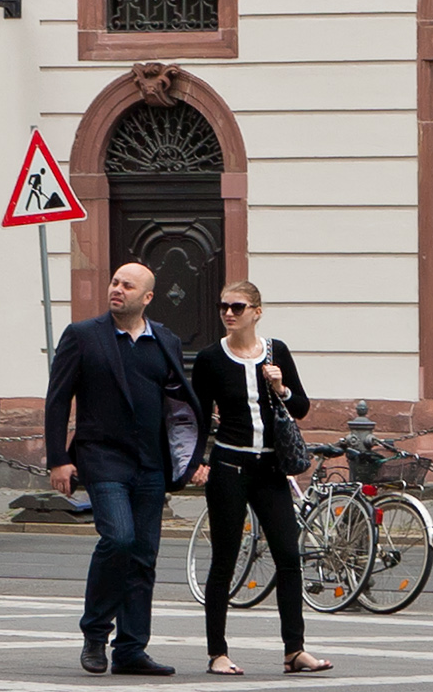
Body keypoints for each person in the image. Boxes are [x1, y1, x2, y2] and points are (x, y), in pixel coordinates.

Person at [45, 259, 199, 677]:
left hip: (150, 463)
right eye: (115, 282)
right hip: (101, 457)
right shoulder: (83, 336)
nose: (117, 289)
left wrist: (190, 456)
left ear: (146, 297)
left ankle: (131, 649)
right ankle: (96, 634)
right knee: (120, 539)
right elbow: (58, 400)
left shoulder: (162, 339)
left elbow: (179, 403)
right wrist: (59, 458)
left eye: (128, 285)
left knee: (143, 556)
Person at [189, 279, 329, 677]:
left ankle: (294, 651)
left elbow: (300, 407)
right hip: (229, 468)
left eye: (237, 307)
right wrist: (196, 462)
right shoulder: (211, 358)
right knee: (225, 560)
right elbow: (199, 416)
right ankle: (217, 652)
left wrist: (280, 387)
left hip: (270, 469)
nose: (228, 313)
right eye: (223, 307)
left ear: (257, 311)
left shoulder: (276, 351)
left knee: (288, 554)